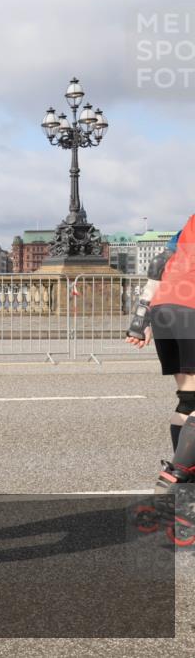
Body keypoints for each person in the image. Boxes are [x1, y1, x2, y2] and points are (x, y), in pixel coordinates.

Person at [126, 214, 195, 537]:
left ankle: (185, 499)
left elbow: (158, 262)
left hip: (166, 307)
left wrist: (140, 319)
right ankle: (176, 478)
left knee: (188, 401)